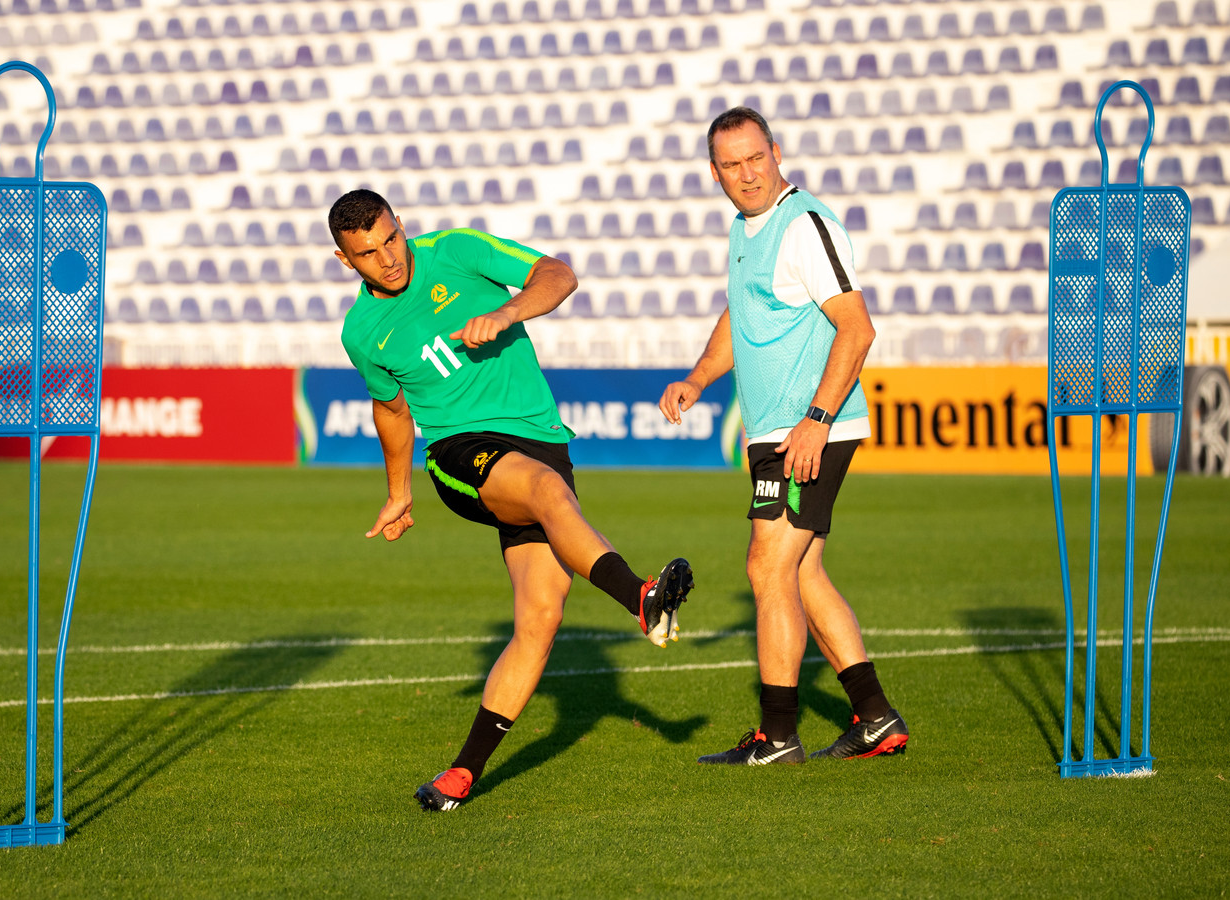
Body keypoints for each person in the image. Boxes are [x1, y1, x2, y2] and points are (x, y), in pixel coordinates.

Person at [329, 190, 694, 810]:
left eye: (391, 239)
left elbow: (559, 275)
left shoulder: (459, 250)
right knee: (547, 492)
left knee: (540, 620)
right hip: (460, 454)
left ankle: (460, 775)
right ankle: (642, 597)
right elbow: (391, 409)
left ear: (402, 224)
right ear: (344, 260)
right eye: (367, 253)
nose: (388, 259)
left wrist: (509, 313)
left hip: (540, 441)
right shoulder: (362, 332)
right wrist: (399, 492)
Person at [658, 108, 907, 765]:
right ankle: (876, 718)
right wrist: (699, 378)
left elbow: (856, 327)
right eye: (731, 165)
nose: (746, 174)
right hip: (777, 429)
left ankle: (776, 737)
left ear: (776, 151)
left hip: (810, 429)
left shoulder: (804, 224)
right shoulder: (746, 229)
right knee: (802, 574)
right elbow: (742, 309)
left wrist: (817, 422)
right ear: (714, 172)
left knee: (766, 567)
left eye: (755, 158)